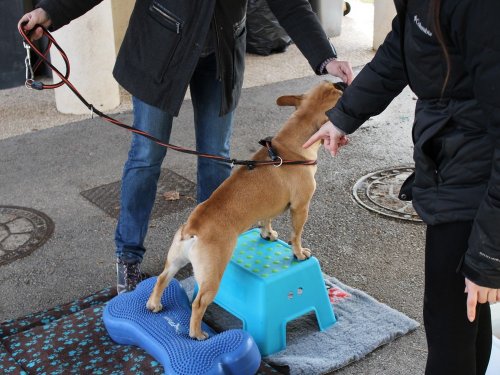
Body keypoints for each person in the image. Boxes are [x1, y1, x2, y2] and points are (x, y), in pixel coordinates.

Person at [19, 0, 354, 294]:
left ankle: (210, 251)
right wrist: (51, 11)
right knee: (147, 155)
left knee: (216, 155)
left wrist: (326, 58)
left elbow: (290, 4)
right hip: (163, 43)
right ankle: (128, 256)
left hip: (221, 48)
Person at [304, 0, 500, 373]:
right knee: (463, 309)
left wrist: (489, 256)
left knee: (449, 320)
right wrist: (345, 116)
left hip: (477, 176)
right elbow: (401, 46)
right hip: (452, 156)